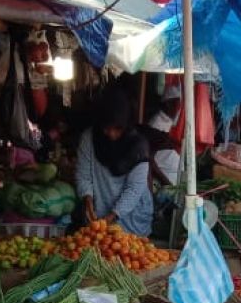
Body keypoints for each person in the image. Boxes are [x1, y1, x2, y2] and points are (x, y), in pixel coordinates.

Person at [77, 89, 153, 235]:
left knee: (130, 253)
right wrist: (88, 199)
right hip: (99, 214)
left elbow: (134, 189)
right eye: (106, 128)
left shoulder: (138, 147)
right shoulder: (89, 138)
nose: (112, 134)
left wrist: (111, 217)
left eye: (117, 129)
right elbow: (83, 174)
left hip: (133, 217)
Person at [143, 85, 182, 188]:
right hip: (164, 183)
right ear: (168, 104)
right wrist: (167, 183)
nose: (179, 109)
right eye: (176, 104)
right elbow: (150, 158)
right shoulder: (156, 124)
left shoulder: (168, 121)